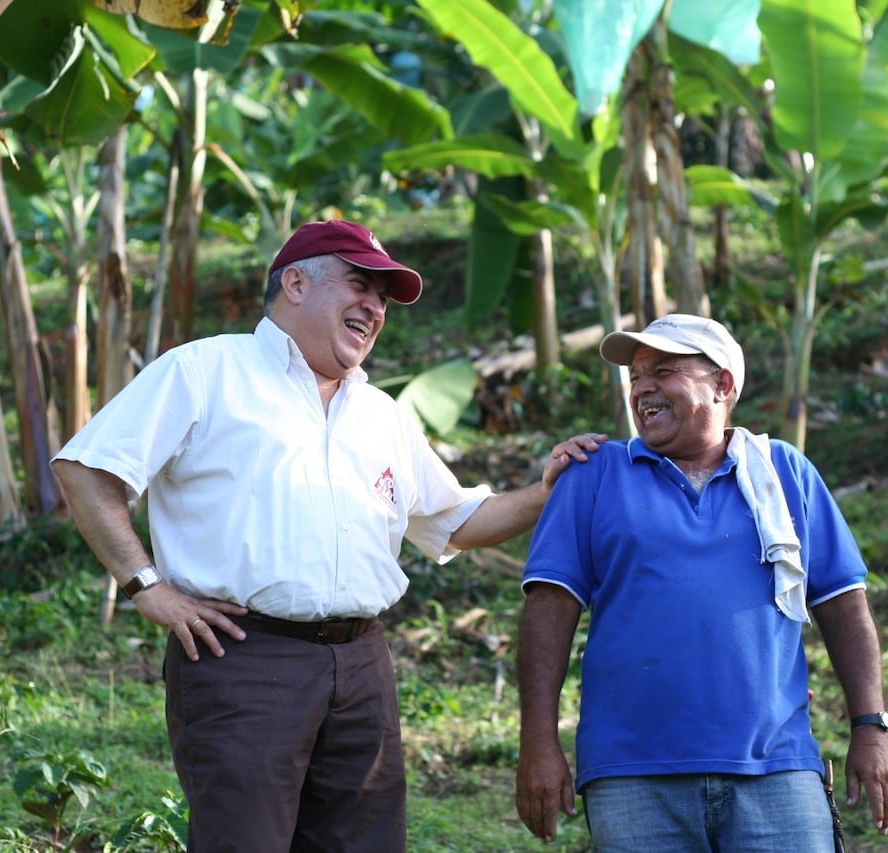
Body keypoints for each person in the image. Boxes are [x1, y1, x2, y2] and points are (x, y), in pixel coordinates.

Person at [51, 218, 605, 853]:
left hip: (362, 665)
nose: (374, 307)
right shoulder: (206, 371)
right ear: (294, 282)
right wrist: (146, 586)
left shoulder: (381, 414)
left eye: (383, 298)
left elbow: (457, 521)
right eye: (360, 285)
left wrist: (549, 490)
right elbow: (86, 468)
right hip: (244, 660)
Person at [514, 313, 888, 851]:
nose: (643, 387)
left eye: (664, 371)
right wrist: (537, 742)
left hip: (776, 766)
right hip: (632, 772)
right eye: (636, 377)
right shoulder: (595, 472)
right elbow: (547, 612)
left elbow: (842, 604)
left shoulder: (784, 472)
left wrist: (871, 727)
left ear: (723, 384)